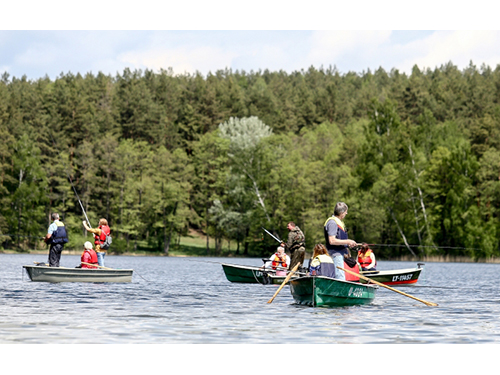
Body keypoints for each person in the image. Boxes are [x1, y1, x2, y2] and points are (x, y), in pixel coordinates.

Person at [324, 202, 358, 281]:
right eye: (346, 211)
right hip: (335, 254)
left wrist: (348, 243)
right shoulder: (332, 223)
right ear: (341, 212)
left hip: (341, 253)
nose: (346, 213)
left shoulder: (339, 222)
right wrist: (348, 241)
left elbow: (340, 239)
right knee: (340, 278)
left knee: (342, 276)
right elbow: (332, 241)